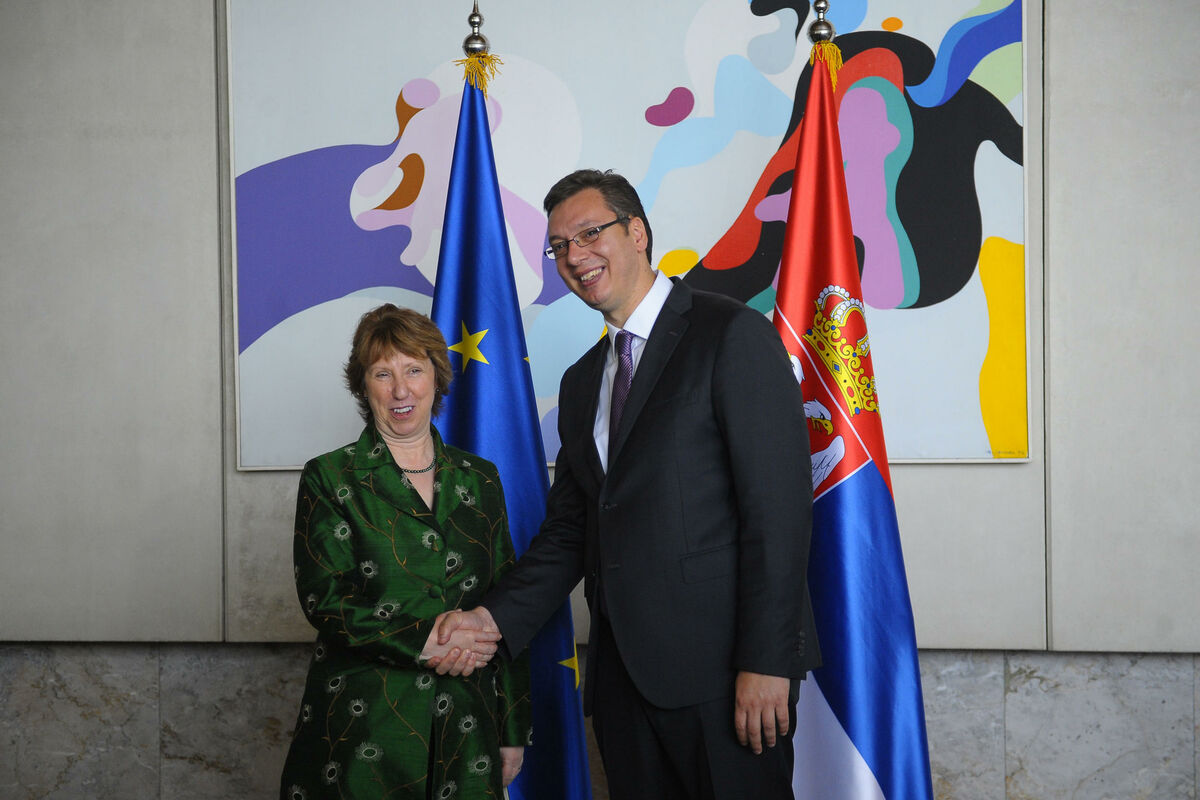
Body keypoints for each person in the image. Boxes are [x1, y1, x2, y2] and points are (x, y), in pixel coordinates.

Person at [432, 170, 820, 799]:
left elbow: (777, 512)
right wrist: (489, 620)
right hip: (622, 689)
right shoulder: (583, 380)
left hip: (727, 680)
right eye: (559, 246)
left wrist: (767, 661)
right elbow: (571, 531)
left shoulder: (730, 334)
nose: (574, 256)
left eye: (590, 234)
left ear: (637, 232)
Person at [278, 304, 531, 800]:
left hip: (469, 730)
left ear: (437, 377)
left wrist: (512, 728)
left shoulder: (481, 479)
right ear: (363, 386)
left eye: (414, 370)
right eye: (383, 374)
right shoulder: (329, 477)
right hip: (365, 732)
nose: (401, 390)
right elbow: (324, 599)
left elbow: (508, 602)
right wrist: (425, 641)